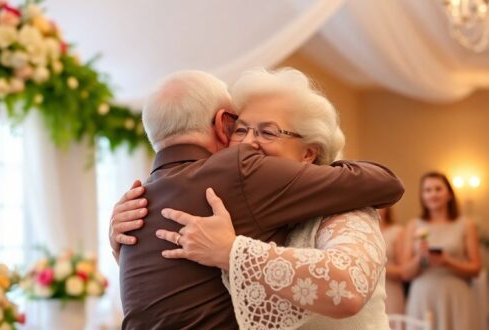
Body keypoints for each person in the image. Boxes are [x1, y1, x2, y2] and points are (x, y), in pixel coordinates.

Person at [113, 68, 404, 329]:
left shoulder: (347, 211)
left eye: (267, 131)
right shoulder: (230, 206)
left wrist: (232, 251)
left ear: (308, 152)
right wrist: (120, 244)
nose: (248, 143)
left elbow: (347, 288)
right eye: (240, 130)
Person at [401, 171, 481, 330]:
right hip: (423, 295)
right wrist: (419, 257)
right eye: (427, 190)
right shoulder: (413, 225)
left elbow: (476, 268)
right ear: (422, 196)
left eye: (438, 189)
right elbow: (404, 273)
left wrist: (447, 262)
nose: (433, 194)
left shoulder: (466, 224)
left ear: (449, 194)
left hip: (455, 295)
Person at [378, 207, 405, 315]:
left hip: (390, 290)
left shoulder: (397, 231)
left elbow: (403, 271)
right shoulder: (360, 232)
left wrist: (376, 267)